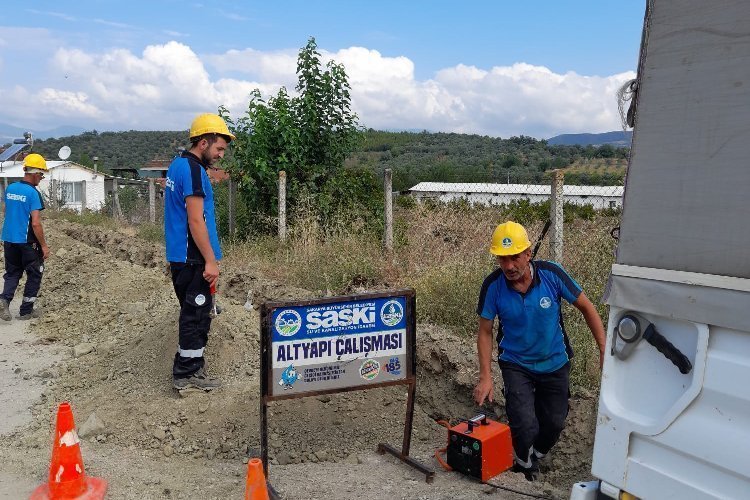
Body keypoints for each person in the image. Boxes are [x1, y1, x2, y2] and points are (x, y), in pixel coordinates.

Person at [473, 221, 605, 480]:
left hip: (555, 361)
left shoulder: (552, 274)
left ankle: (534, 455)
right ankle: (524, 466)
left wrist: (603, 348)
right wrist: (485, 376)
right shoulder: (493, 286)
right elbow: (485, 331)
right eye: (503, 260)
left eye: (514, 258)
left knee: (554, 422)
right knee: (524, 424)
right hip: (515, 363)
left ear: (528, 254)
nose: (509, 266)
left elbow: (587, 308)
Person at [164, 113, 234, 391]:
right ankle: (187, 375)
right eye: (218, 148)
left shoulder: (177, 165)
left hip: (182, 256)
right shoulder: (193, 171)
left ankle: (190, 366)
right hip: (193, 258)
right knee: (195, 316)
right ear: (203, 143)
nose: (220, 155)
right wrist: (210, 260)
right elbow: (195, 219)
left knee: (195, 312)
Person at [0, 153, 50, 321]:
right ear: (35, 173)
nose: (42, 178)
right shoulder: (33, 193)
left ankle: (4, 301)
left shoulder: (11, 188)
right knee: (35, 273)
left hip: (9, 239)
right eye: (41, 174)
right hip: (28, 242)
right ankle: (26, 311)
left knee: (13, 273)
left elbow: (6, 211)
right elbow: (35, 223)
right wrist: (43, 245)